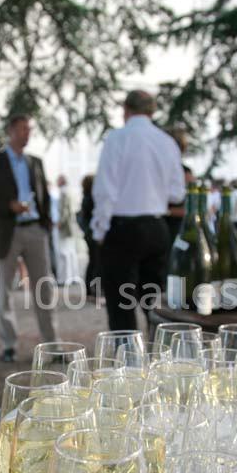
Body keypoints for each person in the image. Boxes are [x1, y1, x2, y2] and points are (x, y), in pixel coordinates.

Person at [91, 90, 185, 330]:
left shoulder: (117, 138)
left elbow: (104, 190)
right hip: (156, 227)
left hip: (123, 228)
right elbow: (177, 193)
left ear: (126, 110)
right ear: (152, 111)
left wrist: (99, 231)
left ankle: (127, 361)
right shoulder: (167, 142)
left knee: (121, 307)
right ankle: (159, 355)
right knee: (154, 303)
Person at [0, 113, 57, 362]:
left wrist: (45, 223)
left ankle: (52, 345)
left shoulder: (36, 163)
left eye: (29, 129)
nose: (27, 133)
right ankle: (8, 345)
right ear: (10, 131)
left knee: (44, 288)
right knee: (3, 291)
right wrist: (7, 206)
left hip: (34, 231)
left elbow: (44, 196)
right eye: (22, 129)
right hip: (5, 232)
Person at [77, 174, 100, 297]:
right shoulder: (90, 198)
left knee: (93, 261)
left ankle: (90, 288)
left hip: (89, 234)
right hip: (93, 234)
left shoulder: (86, 197)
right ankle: (92, 288)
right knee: (95, 261)